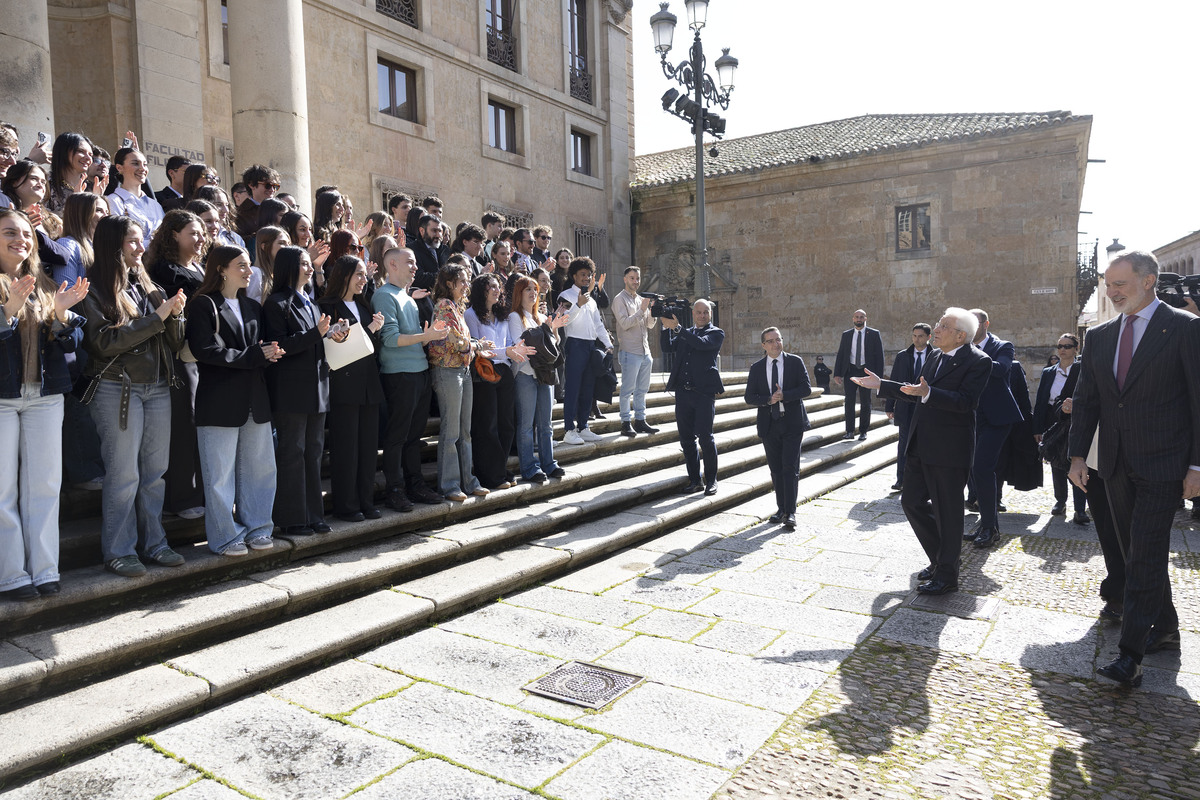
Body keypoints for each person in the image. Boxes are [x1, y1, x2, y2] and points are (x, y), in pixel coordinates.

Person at [1068, 250, 1200, 688]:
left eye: (1120, 283)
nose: (1112, 291)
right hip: (1116, 463)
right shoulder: (1102, 336)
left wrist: (1197, 466)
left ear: (1148, 281)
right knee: (1132, 552)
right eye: (1108, 283)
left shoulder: (1184, 329)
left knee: (1144, 551)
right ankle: (1165, 628)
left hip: (1165, 464)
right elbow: (1089, 400)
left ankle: (1130, 655)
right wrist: (1077, 456)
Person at [852, 308, 990, 595]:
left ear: (960, 335)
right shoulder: (935, 356)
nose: (935, 330)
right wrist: (883, 385)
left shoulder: (979, 361)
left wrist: (928, 394)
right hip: (919, 445)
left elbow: (965, 402)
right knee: (911, 503)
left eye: (942, 326)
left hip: (949, 451)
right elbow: (917, 391)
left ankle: (947, 575)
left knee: (948, 513)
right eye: (938, 324)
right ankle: (941, 559)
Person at [81, 215, 188, 577]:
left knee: (154, 473)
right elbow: (103, 342)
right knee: (124, 474)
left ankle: (154, 543)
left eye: (141, 240)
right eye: (132, 241)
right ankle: (119, 550)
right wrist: (159, 317)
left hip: (157, 387)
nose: (141, 248)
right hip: (116, 388)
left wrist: (175, 316)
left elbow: (174, 343)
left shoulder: (148, 285)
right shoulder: (94, 289)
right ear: (112, 244)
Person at [0, 209, 88, 599]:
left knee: (45, 486)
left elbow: (70, 347)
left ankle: (44, 570)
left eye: (25, 233)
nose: (20, 238)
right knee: (3, 490)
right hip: (2, 398)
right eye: (9, 232)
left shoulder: (45, 283)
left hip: (45, 396)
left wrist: (62, 314)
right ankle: (12, 575)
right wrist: (6, 312)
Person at [185, 245, 282, 555]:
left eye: (248, 265)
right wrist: (255, 355)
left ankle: (258, 528)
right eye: (240, 265)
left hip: (255, 398)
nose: (248, 270)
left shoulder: (253, 307)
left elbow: (259, 349)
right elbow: (205, 352)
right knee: (219, 476)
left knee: (260, 469)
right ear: (221, 269)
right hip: (219, 400)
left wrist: (269, 354)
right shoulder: (203, 304)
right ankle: (226, 537)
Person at [263, 246, 340, 536]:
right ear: (288, 268)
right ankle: (292, 518)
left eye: (310, 264)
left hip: (317, 386)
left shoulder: (310, 301)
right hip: (291, 390)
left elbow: (314, 341)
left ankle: (313, 515)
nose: (310, 269)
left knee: (313, 453)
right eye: (304, 264)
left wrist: (332, 334)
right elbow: (280, 346)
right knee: (292, 453)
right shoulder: (276, 303)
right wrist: (316, 334)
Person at [373, 247, 448, 511]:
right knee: (397, 436)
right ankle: (395, 489)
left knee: (414, 436)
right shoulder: (383, 295)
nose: (416, 267)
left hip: (419, 372)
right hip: (399, 375)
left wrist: (427, 337)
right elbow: (390, 339)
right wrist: (425, 337)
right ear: (392, 264)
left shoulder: (406, 296)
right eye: (410, 262)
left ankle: (415, 485)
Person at [147, 209, 209, 521]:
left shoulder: (198, 267)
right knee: (185, 423)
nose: (200, 239)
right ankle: (182, 497)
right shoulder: (165, 271)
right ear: (173, 235)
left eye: (201, 233)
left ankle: (200, 492)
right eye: (192, 233)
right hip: (177, 355)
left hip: (202, 355)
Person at [318, 255, 386, 521]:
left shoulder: (363, 304)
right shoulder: (327, 305)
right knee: (346, 448)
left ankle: (366, 501)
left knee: (368, 448)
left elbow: (370, 347)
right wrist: (370, 329)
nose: (363, 279)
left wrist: (374, 330)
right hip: (343, 385)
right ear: (343, 275)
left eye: (364, 274)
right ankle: (347, 505)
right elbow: (334, 344)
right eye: (358, 274)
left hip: (369, 382)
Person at [427, 263, 492, 501]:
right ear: (449, 283)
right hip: (447, 372)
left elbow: (464, 342)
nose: (466, 285)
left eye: (467, 280)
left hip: (462, 371)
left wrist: (473, 344)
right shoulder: (444, 305)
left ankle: (468, 480)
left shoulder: (457, 307)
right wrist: (477, 345)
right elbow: (457, 342)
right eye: (462, 281)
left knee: (465, 431)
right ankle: (449, 485)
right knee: (452, 431)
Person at [465, 273, 533, 489]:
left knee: (506, 425)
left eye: (497, 287)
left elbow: (512, 343)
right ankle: (489, 475)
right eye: (490, 287)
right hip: (484, 372)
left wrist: (515, 350)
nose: (496, 290)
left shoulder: (503, 314)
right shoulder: (471, 315)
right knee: (488, 425)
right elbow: (480, 349)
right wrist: (508, 351)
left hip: (504, 372)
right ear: (480, 291)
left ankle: (500, 469)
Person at [964, 308, 1023, 549]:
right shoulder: (963, 348)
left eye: (975, 322)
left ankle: (989, 527)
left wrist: (971, 354)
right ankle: (988, 523)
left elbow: (1001, 369)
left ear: (986, 324)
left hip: (998, 417)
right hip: (971, 416)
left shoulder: (1002, 346)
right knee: (976, 470)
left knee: (982, 467)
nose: (971, 327)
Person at [744, 327, 811, 530]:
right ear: (763, 345)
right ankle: (781, 509)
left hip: (792, 422)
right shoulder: (756, 368)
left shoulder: (794, 362)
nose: (776, 344)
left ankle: (790, 512)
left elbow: (806, 388)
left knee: (790, 468)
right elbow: (749, 396)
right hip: (769, 423)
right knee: (776, 469)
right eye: (771, 341)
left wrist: (785, 395)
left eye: (778, 340)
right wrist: (768, 399)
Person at [661, 299, 725, 495]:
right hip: (683, 393)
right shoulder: (686, 332)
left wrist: (678, 328)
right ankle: (695, 480)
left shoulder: (716, 333)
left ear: (710, 314)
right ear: (693, 313)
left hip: (704, 394)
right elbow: (667, 347)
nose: (702, 315)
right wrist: (665, 327)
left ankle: (712, 480)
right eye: (698, 312)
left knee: (706, 438)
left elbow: (701, 344)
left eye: (706, 312)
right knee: (686, 439)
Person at [508, 275, 566, 483]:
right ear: (519, 294)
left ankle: (549, 464)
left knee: (546, 424)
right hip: (525, 374)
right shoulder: (515, 316)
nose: (533, 293)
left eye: (535, 289)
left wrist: (553, 329)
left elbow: (553, 346)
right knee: (525, 426)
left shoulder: (541, 317)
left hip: (545, 373)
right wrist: (543, 334)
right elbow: (521, 344)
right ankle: (529, 468)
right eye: (528, 290)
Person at [1032, 333, 1087, 523]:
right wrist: (1037, 428)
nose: (1063, 350)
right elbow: (1040, 401)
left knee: (1077, 461)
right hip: (1052, 422)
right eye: (1060, 346)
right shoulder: (1049, 372)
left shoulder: (1082, 369)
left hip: (1076, 423)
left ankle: (1080, 508)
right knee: (1056, 462)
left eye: (1067, 346)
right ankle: (1060, 501)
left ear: (1075, 349)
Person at [558, 257, 611, 445]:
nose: (586, 278)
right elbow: (565, 321)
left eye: (589, 275)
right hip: (575, 344)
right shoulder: (565, 296)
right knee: (572, 388)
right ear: (574, 276)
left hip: (591, 346)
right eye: (583, 275)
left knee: (588, 387)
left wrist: (608, 344)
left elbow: (598, 325)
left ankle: (583, 426)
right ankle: (569, 430)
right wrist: (578, 305)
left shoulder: (592, 300)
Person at [885, 324, 932, 491]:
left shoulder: (936, 356)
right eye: (914, 336)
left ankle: (923, 480)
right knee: (904, 443)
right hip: (905, 407)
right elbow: (894, 380)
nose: (916, 339)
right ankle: (901, 479)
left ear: (928, 337)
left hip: (926, 407)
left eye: (920, 336)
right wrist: (890, 406)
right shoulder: (903, 356)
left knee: (925, 443)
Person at [612, 266, 659, 437]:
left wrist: (652, 312)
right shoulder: (619, 299)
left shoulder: (641, 299)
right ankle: (625, 423)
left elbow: (650, 325)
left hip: (645, 351)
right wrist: (641, 310)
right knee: (627, 390)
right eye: (632, 278)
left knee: (642, 390)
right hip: (630, 351)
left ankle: (640, 420)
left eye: (637, 278)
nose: (635, 281)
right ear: (625, 279)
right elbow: (624, 323)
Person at [833, 308, 884, 440]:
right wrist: (837, 373)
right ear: (853, 319)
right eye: (856, 317)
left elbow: (880, 356)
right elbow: (841, 354)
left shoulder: (874, 334)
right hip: (850, 371)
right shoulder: (847, 334)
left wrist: (878, 377)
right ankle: (849, 431)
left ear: (865, 319)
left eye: (861, 317)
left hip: (866, 372)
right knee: (849, 401)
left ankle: (863, 431)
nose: (859, 319)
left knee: (865, 402)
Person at [106, 147, 164, 247]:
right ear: (119, 168)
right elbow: (117, 239)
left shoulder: (155, 205)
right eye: (135, 163)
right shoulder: (113, 201)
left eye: (145, 164)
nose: (143, 169)